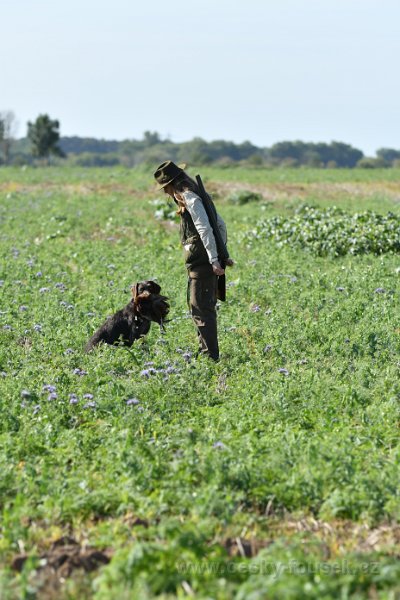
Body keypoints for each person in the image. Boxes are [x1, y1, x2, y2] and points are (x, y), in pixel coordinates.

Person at [154, 160, 233, 362]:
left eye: (166, 188)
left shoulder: (191, 198)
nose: (165, 193)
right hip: (203, 261)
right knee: (198, 306)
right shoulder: (194, 196)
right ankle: (205, 352)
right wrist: (222, 254)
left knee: (201, 308)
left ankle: (210, 357)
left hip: (203, 263)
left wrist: (216, 259)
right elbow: (220, 225)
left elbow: (206, 228)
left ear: (173, 184)